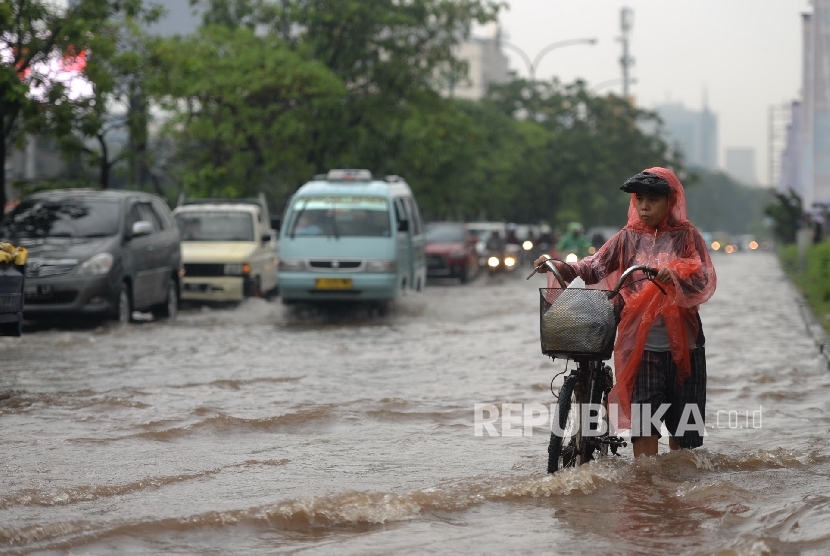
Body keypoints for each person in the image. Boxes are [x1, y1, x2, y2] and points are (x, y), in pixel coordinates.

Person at [534, 167, 717, 458]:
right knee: (644, 429)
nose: (644, 206)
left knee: (685, 438)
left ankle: (678, 499)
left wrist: (678, 274)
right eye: (639, 199)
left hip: (686, 346)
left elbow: (703, 277)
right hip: (641, 349)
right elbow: (593, 266)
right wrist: (559, 265)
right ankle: (645, 494)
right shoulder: (627, 237)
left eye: (652, 200)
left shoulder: (687, 236)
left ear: (669, 202)